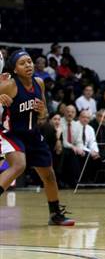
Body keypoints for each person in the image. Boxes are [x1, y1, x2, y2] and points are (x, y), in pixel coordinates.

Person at [0, 49, 74, 225]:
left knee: (49, 175)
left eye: (30, 61)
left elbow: (44, 114)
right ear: (15, 69)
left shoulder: (39, 82)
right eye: (23, 63)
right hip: (11, 133)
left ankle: (55, 214)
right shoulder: (10, 85)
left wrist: (42, 112)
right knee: (19, 165)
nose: (28, 65)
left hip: (33, 135)